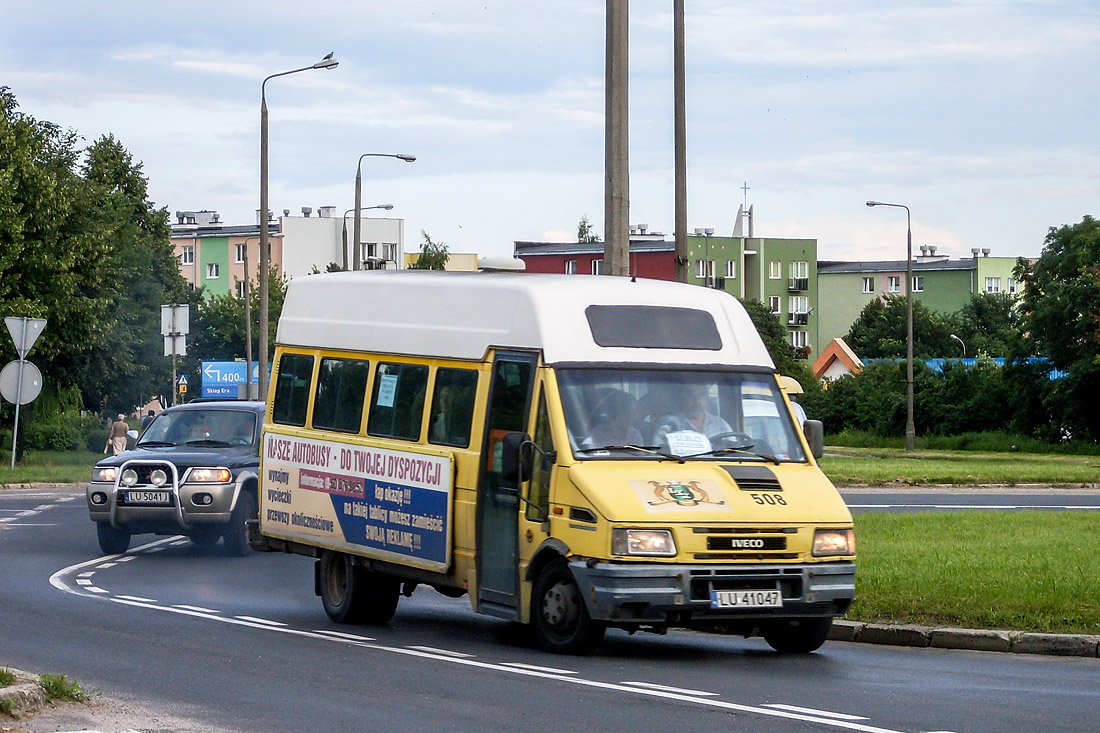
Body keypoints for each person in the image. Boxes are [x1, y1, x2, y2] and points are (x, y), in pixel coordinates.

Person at [655, 383, 732, 441]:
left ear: (707, 399)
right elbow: (656, 454)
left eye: (701, 395)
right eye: (691, 395)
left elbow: (733, 453)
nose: (697, 401)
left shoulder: (720, 425)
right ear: (684, 398)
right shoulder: (669, 424)